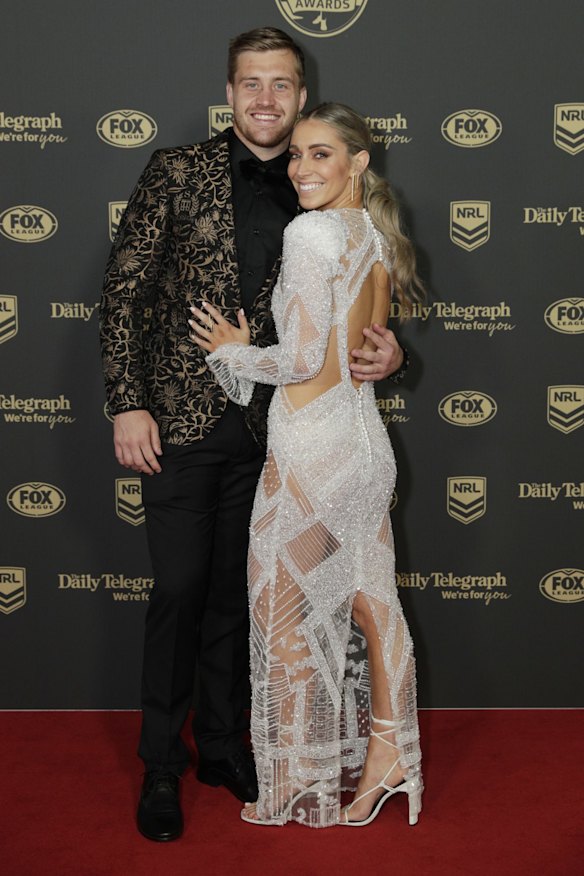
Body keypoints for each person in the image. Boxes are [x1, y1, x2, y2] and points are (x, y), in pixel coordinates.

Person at [100, 29, 407, 842]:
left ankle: (228, 747)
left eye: (281, 84)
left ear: (302, 96)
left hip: (276, 432)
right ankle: (162, 761)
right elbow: (123, 291)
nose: (265, 100)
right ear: (230, 93)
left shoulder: (321, 190)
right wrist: (128, 403)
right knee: (178, 589)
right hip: (179, 421)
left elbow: (347, 314)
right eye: (250, 84)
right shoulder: (174, 169)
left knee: (247, 600)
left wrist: (389, 347)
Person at [189, 102, 423, 828]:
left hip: (313, 454)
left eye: (321, 154)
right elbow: (365, 352)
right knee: (371, 604)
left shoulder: (311, 232)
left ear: (358, 162)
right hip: (364, 448)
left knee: (285, 617)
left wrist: (230, 350)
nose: (301, 169)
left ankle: (298, 780)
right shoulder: (375, 237)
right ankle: (391, 758)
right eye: (295, 155)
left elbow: (297, 361)